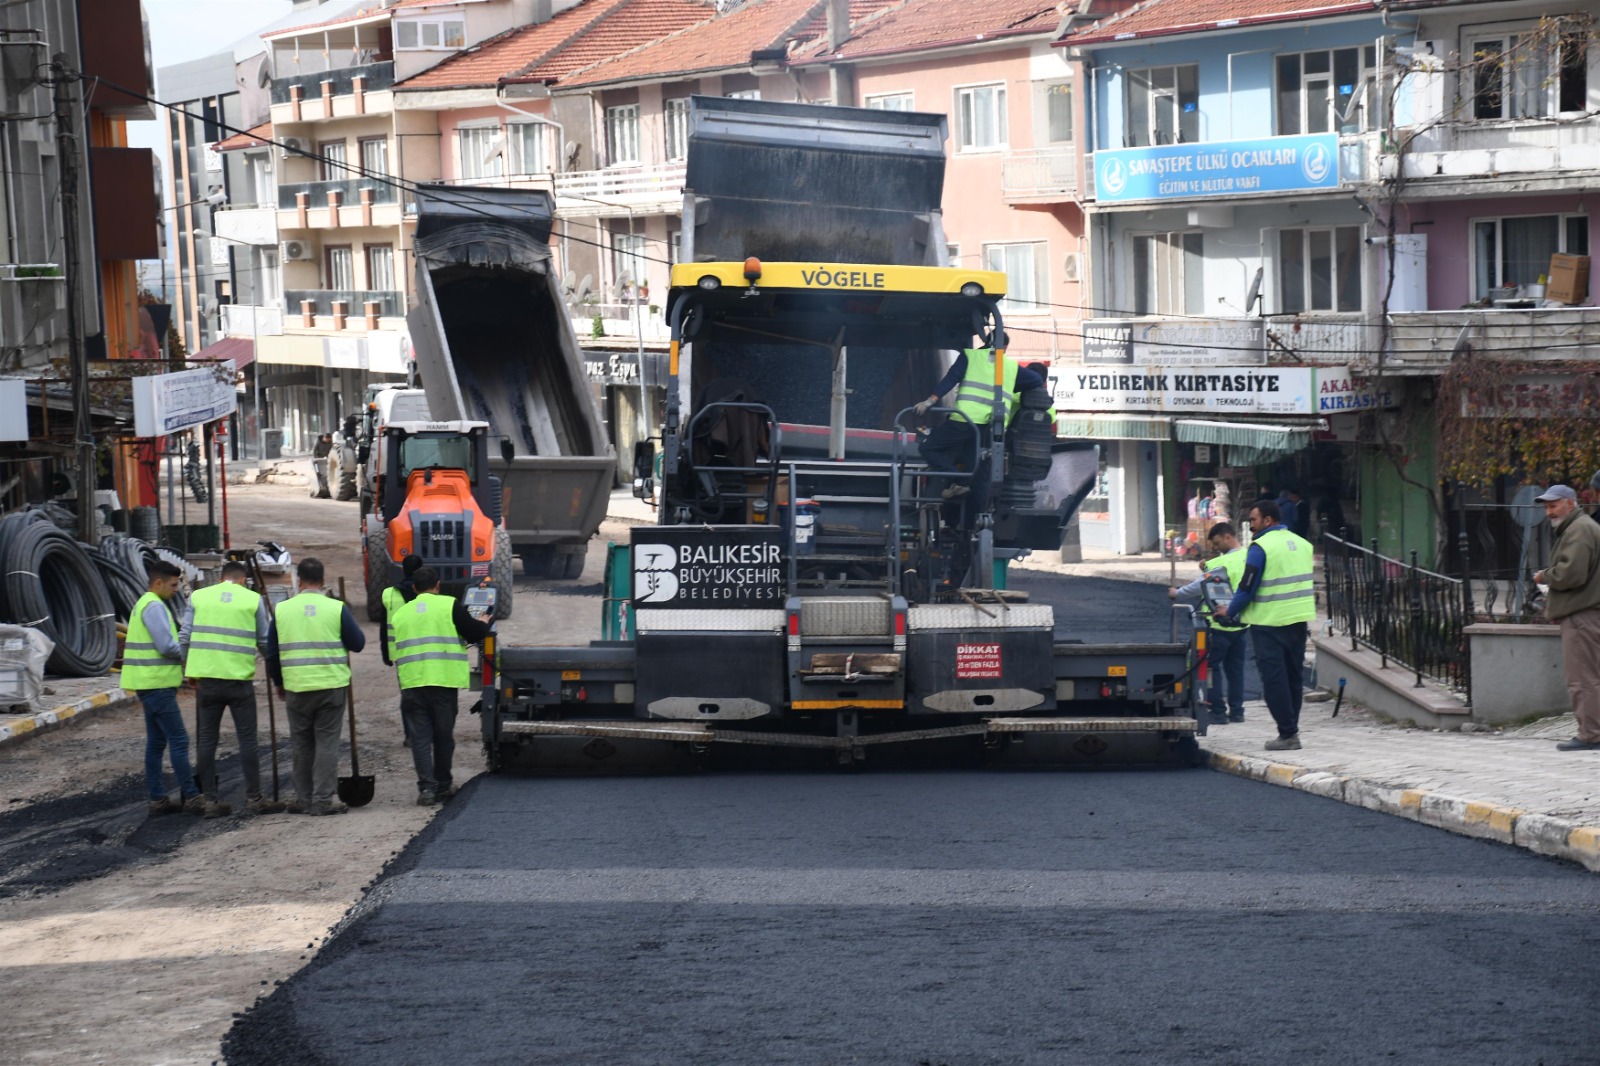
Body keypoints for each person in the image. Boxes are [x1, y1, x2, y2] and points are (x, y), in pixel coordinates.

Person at [265, 557, 366, 814]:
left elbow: (272, 654)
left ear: (299, 581)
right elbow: (358, 643)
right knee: (326, 743)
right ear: (322, 581)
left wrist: (278, 683)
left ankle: (304, 799)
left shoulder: (282, 610)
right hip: (330, 687)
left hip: (296, 688)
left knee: (301, 743)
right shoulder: (335, 608)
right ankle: (322, 801)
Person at [180, 561, 280, 817]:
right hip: (239, 683)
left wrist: (188, 671)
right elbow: (264, 641)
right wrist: (276, 675)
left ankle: (211, 801)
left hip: (206, 682)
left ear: (221, 578)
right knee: (247, 740)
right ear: (243, 580)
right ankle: (254, 798)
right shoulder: (252, 599)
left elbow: (185, 637)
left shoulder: (199, 597)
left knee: (206, 741)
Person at [1215, 499, 1316, 751]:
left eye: (1253, 520)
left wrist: (1230, 610)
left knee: (1274, 680)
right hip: (1298, 621)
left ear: (1267, 521)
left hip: (1269, 624)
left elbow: (1247, 587)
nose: (1251, 526)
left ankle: (1288, 734)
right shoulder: (1303, 544)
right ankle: (1291, 728)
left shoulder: (1260, 547)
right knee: (1294, 678)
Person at [389, 567, 492, 805]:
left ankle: (426, 789)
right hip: (443, 683)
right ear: (437, 585)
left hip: (412, 683)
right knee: (443, 736)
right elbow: (475, 632)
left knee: (420, 738)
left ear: (414, 589)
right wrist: (484, 621)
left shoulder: (400, 614)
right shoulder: (449, 605)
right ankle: (443, 785)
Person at [915, 336, 1047, 505]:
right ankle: (969, 499)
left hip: (963, 420)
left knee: (928, 448)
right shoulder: (1010, 367)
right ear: (1004, 346)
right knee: (975, 463)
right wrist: (1009, 383)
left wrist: (930, 401)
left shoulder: (970, 356)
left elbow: (951, 378)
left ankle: (958, 481)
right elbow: (1036, 380)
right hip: (987, 426)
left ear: (987, 341)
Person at [124, 560, 204, 816]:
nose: (175, 590)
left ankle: (158, 799)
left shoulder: (146, 604)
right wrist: (191, 651)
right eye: (172, 585)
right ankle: (192, 797)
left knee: (157, 743)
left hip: (150, 684)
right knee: (179, 740)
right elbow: (166, 646)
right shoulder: (154, 606)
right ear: (158, 583)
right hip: (156, 685)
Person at [1531, 484, 1600, 751]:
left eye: (1554, 505)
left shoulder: (1579, 529)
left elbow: (1572, 573)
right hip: (1587, 613)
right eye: (1546, 507)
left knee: (1582, 677)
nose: (1548, 512)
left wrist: (1544, 576)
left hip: (1582, 615)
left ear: (1570, 504)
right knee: (1590, 675)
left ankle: (1590, 734)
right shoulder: (1580, 527)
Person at [1169, 521, 1250, 724]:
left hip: (1218, 624)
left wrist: (1177, 593)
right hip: (1242, 623)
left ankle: (1218, 712)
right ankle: (1238, 711)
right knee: (1236, 669)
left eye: (1217, 543)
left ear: (1228, 537)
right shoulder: (1249, 556)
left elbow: (1199, 587)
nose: (1215, 548)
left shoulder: (1219, 564)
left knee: (1211, 667)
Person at [311, 433, 333, 499]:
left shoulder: (330, 443)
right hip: (318, 458)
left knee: (326, 473)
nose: (327, 441)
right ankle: (318, 488)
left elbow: (331, 450)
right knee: (318, 473)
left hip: (325, 459)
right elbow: (314, 450)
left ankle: (327, 489)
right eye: (326, 439)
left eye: (328, 440)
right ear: (324, 438)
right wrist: (315, 458)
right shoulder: (318, 441)